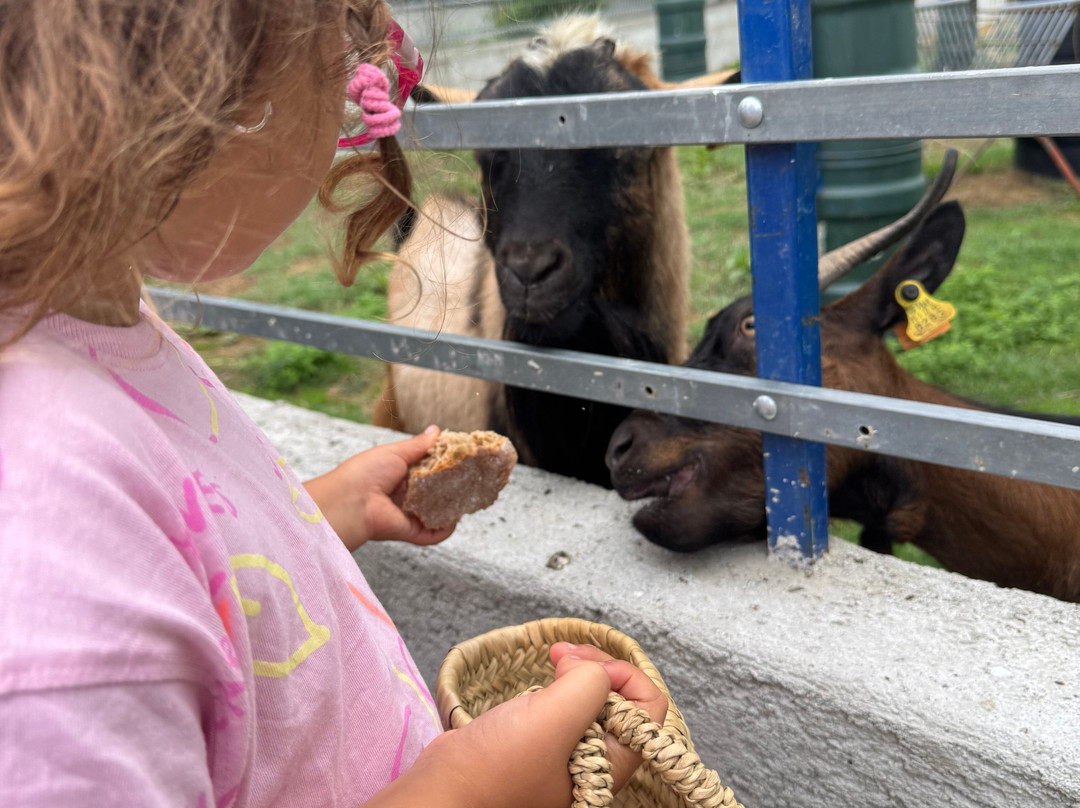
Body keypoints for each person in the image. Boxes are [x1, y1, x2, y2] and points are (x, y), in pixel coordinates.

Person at [0, 2, 668, 807]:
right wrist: (469, 794)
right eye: (345, 51)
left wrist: (321, 511)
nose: (360, 92)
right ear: (215, 83)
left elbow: (180, 556)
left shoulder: (95, 324)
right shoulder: (45, 567)